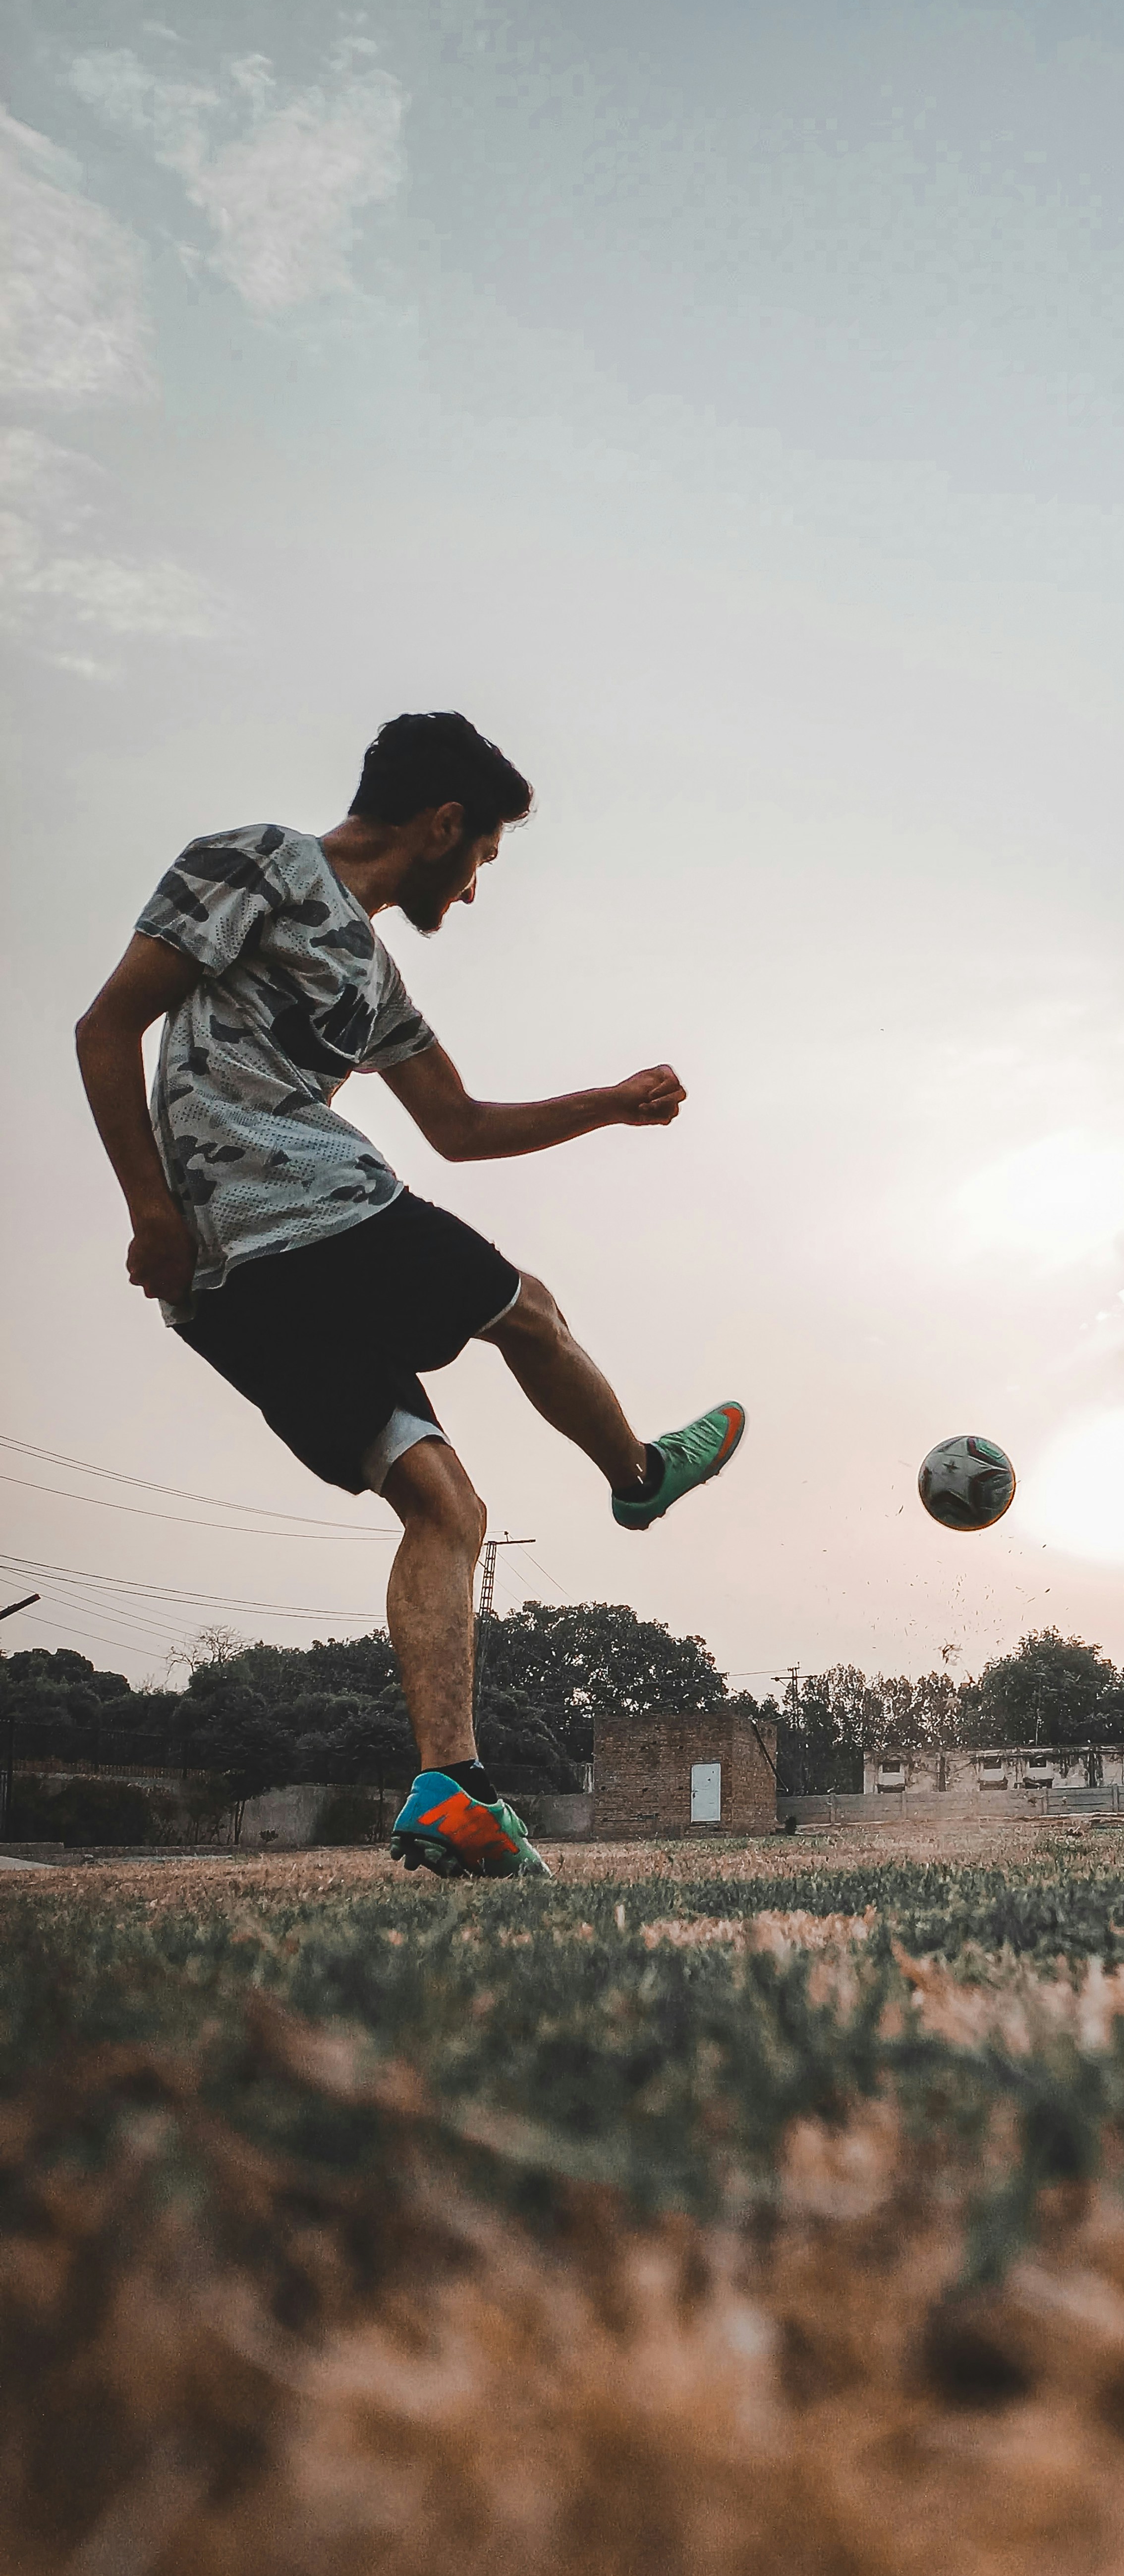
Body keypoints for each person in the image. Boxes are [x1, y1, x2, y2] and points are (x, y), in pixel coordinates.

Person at [74, 711, 745, 1878]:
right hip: (298, 1212)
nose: (477, 887)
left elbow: (460, 1126)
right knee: (525, 1309)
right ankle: (641, 1475)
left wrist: (609, 1102)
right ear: (442, 825)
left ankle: (452, 1790)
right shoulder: (258, 863)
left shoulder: (376, 979)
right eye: (482, 855)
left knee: (445, 1509)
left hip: (237, 1289)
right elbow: (107, 1024)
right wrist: (150, 1207)